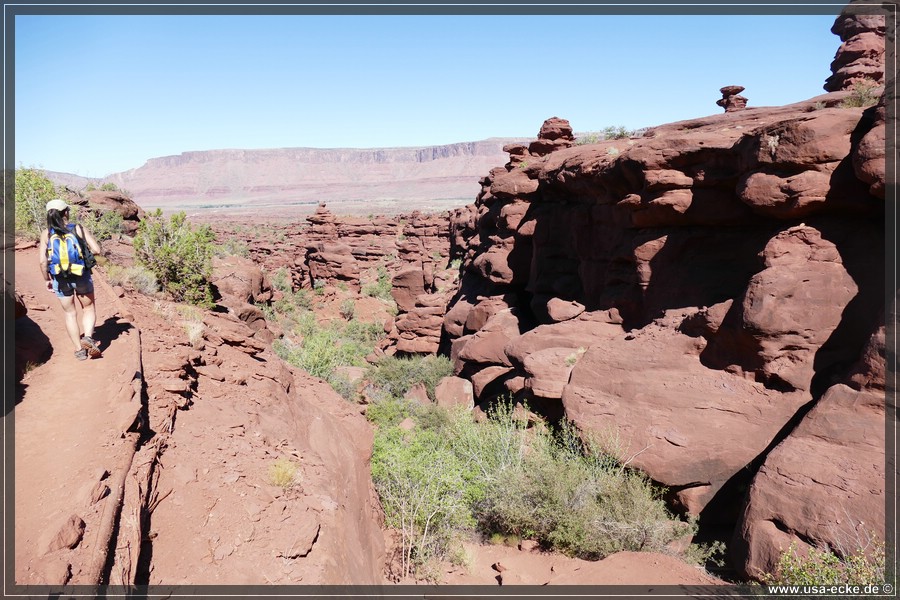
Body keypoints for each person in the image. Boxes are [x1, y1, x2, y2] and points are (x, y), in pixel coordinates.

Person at [39, 198, 104, 361]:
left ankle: (79, 350)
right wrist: (83, 252)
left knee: (70, 313)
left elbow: (42, 261)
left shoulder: (46, 234)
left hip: (60, 277)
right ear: (66, 212)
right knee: (88, 309)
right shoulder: (77, 228)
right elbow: (97, 250)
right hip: (81, 275)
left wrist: (47, 279)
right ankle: (88, 337)